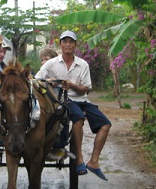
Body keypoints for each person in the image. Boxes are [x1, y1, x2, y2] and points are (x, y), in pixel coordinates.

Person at [35, 30, 111, 180]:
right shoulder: (52, 63)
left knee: (106, 125)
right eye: (65, 41)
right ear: (60, 45)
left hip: (82, 99)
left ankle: (94, 162)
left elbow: (86, 89)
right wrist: (51, 81)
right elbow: (37, 79)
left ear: (75, 45)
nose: (68, 44)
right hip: (64, 99)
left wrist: (72, 85)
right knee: (77, 118)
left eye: (71, 42)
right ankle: (80, 159)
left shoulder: (82, 65)